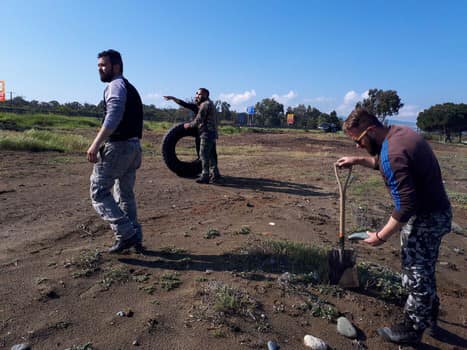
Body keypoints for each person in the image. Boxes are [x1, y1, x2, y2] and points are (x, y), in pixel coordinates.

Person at [336, 108, 451, 346]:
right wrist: (358, 160)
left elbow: (406, 204)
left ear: (370, 130)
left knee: (416, 273)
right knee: (424, 268)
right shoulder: (398, 134)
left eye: (358, 141)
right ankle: (429, 314)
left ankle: (413, 327)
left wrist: (381, 235)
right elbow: (382, 160)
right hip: (436, 212)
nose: (357, 145)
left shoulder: (394, 153)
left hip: (425, 218)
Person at [87, 49, 144, 253]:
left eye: (104, 65)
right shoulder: (130, 87)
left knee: (99, 192)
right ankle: (135, 235)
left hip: (118, 147)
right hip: (133, 148)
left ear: (116, 66)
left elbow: (113, 116)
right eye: (99, 66)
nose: (100, 69)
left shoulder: (116, 86)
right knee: (125, 194)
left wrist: (95, 144)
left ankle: (126, 233)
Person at [164, 89, 221, 184]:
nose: (197, 96)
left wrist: (189, 125)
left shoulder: (205, 105)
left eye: (199, 94)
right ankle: (215, 174)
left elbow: (199, 120)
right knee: (211, 155)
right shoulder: (206, 104)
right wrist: (173, 98)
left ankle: (205, 176)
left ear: (206, 95)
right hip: (210, 133)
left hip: (206, 133)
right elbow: (185, 104)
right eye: (197, 94)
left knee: (203, 155)